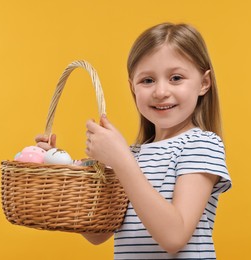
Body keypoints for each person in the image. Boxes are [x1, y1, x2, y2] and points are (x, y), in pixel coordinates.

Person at [36, 22, 232, 259]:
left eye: (176, 78)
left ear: (204, 83)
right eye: (147, 81)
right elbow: (97, 234)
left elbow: (174, 237)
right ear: (133, 88)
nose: (160, 91)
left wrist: (122, 161)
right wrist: (61, 171)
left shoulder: (201, 145)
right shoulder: (132, 155)